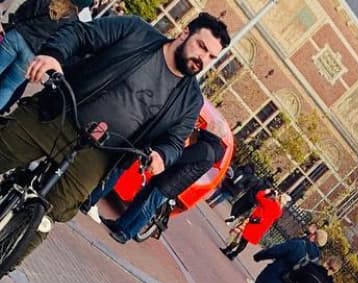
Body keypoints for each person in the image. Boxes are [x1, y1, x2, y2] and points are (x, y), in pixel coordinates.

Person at [0, 12, 229, 267]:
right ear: (184, 33)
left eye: (211, 57)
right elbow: (80, 34)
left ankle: (5, 266)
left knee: (47, 216)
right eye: (201, 47)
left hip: (100, 152)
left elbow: (175, 141)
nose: (202, 59)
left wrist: (162, 155)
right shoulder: (135, 31)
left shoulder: (190, 100)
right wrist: (54, 55)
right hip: (59, 112)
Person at [103, 127, 223, 242]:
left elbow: (180, 157)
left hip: (170, 182)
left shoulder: (204, 149)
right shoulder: (210, 152)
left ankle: (126, 233)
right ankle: (120, 225)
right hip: (170, 181)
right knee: (141, 201)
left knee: (146, 208)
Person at [0, 0, 80, 113]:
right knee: (8, 87)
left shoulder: (50, 1)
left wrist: (16, 23)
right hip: (33, 55)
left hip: (17, 36)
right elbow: (60, 42)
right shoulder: (73, 22)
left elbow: (25, 8)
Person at [222, 186, 285, 258]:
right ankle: (234, 254)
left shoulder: (271, 203)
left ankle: (228, 250)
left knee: (239, 236)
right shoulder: (279, 211)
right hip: (261, 227)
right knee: (244, 241)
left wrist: (266, 192)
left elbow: (258, 196)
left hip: (253, 223)